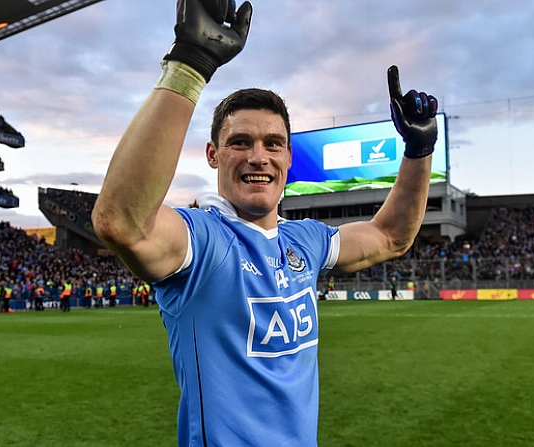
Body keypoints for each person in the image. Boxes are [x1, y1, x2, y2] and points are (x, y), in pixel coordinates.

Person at [91, 1, 437, 445]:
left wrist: (419, 150)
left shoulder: (306, 241)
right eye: (240, 142)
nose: (259, 156)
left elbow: (391, 236)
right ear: (213, 154)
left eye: (274, 143)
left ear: (289, 158)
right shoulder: (203, 242)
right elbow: (121, 221)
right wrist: (190, 65)